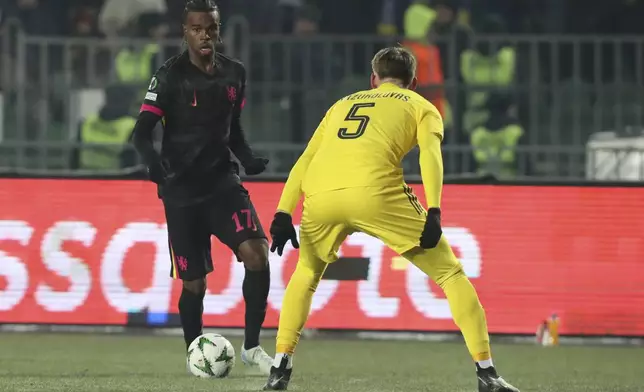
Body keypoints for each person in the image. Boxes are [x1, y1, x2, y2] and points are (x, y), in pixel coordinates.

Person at [265, 47, 520, 392]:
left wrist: (283, 211)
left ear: (373, 79)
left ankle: (280, 368)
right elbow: (430, 155)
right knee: (449, 273)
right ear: (413, 82)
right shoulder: (421, 105)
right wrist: (434, 210)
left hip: (321, 195)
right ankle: (487, 375)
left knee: (307, 273)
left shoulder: (340, 105)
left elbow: (307, 157)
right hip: (375, 192)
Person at [131, 0, 273, 375]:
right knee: (194, 284)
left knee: (257, 252)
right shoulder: (169, 76)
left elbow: (233, 128)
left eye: (210, 28)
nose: (205, 35)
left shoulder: (234, 74)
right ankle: (195, 352)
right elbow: (141, 132)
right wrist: (152, 161)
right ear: (185, 32)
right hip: (181, 192)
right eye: (197, 29)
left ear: (218, 29)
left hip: (222, 183)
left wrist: (247, 157)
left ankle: (253, 347)